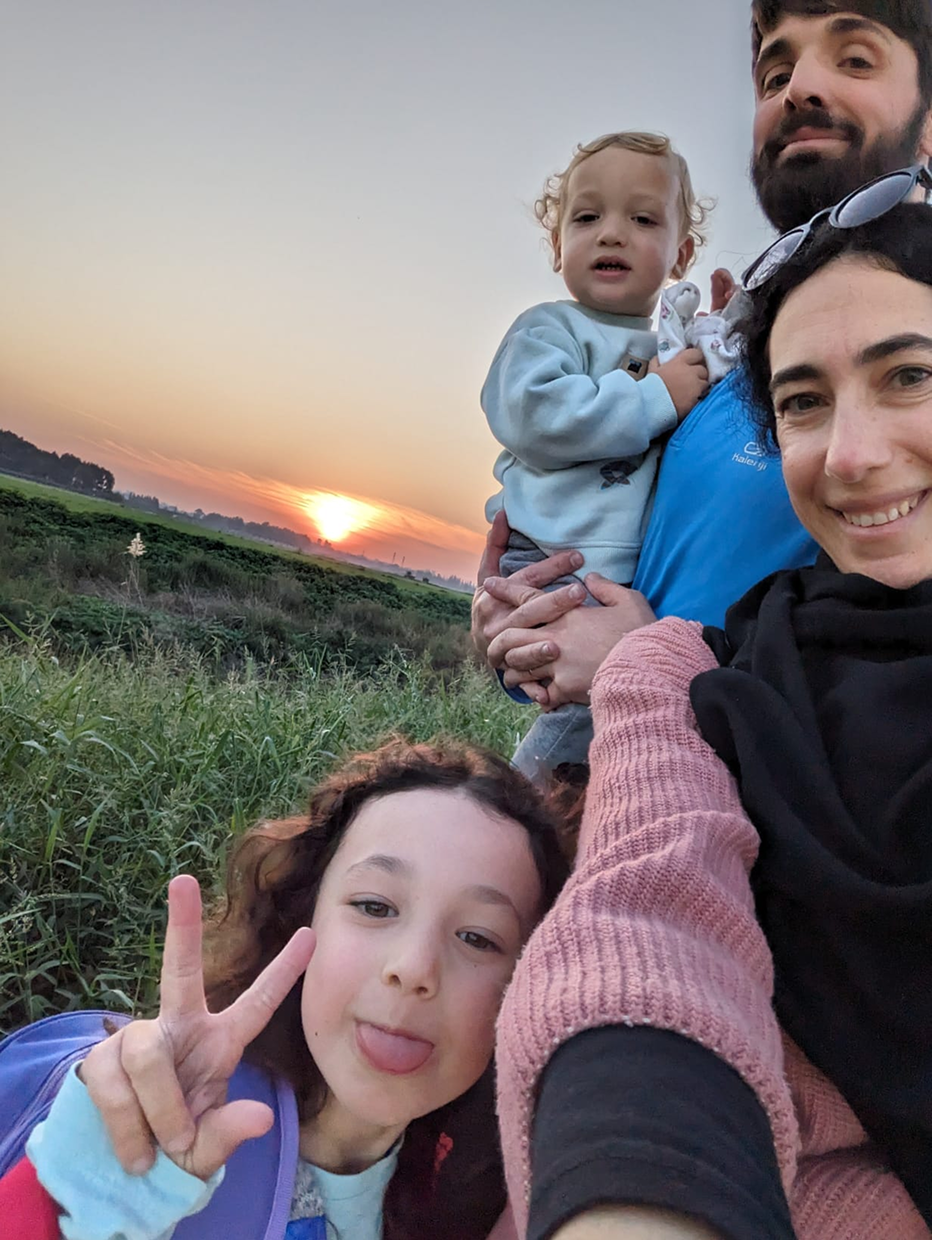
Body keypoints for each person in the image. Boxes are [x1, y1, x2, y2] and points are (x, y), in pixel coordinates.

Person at [495, 194, 932, 1240]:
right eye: (801, 403)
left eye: (907, 376)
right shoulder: (692, 675)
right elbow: (648, 908)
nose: (849, 455)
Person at [472, 0, 932, 743]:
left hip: (726, 819)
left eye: (854, 58)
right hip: (587, 764)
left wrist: (640, 662)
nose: (799, 88)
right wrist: (521, 617)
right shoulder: (729, 358)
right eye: (775, 72)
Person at [0, 738, 568, 1240]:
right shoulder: (160, 1126)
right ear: (304, 913)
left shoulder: (507, 1199)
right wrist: (78, 1194)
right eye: (375, 905)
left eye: (477, 937)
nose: (414, 968)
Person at [481, 132, 714, 779]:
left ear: (681, 252)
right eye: (587, 217)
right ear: (558, 244)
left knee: (618, 727)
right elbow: (532, 415)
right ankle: (523, 816)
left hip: (619, 579)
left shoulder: (668, 350)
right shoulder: (550, 328)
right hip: (551, 557)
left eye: (642, 219)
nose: (611, 234)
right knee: (584, 724)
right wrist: (655, 397)